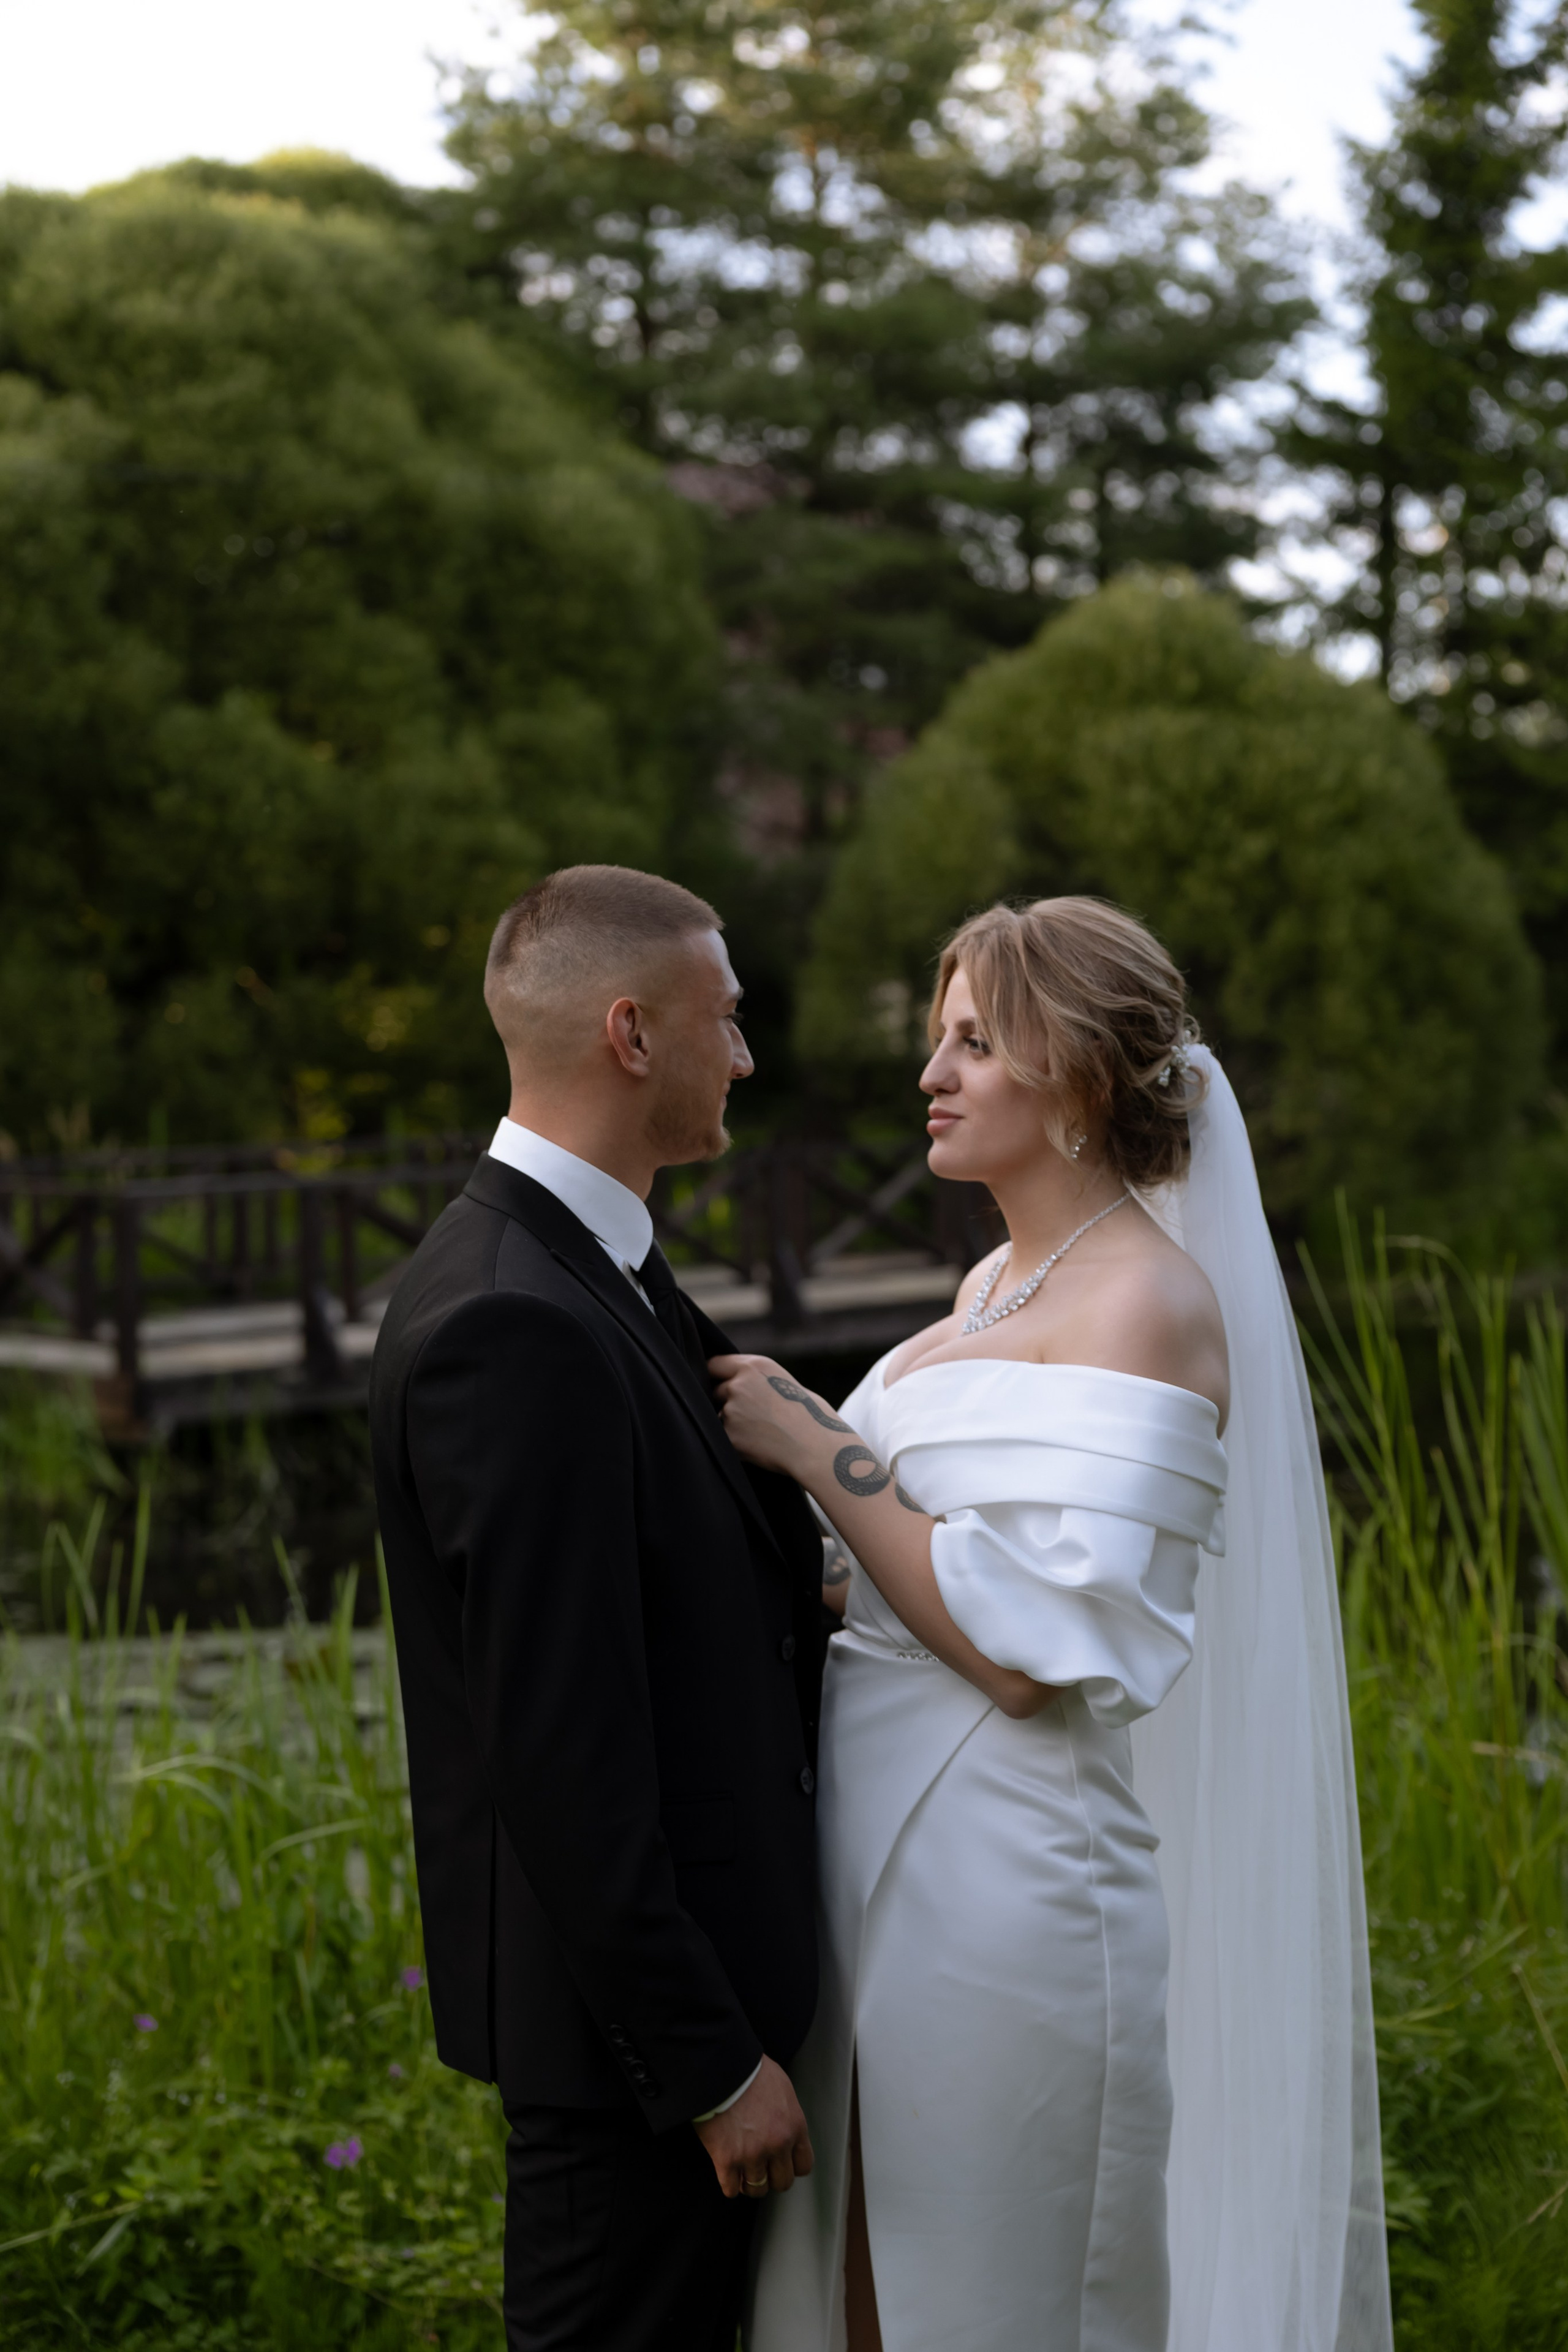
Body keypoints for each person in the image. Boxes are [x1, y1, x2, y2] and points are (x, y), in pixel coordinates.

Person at [722, 897, 1393, 2352]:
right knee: (848, 2299)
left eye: (974, 1042)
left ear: (1079, 1076)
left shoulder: (1148, 1305)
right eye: (935, 1040)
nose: (932, 1076)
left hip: (1006, 1891)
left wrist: (815, 1446)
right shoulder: (985, 1288)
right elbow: (914, 1585)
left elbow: (1027, 1655)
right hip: (863, 1860)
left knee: (987, 2302)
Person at [369, 864, 826, 2352]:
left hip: (691, 2029)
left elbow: (687, 1611)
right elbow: (556, 1747)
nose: (745, 1057)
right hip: (637, 2069)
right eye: (728, 1020)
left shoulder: (597, 1264)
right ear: (632, 1033)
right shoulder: (511, 1315)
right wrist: (705, 2062)